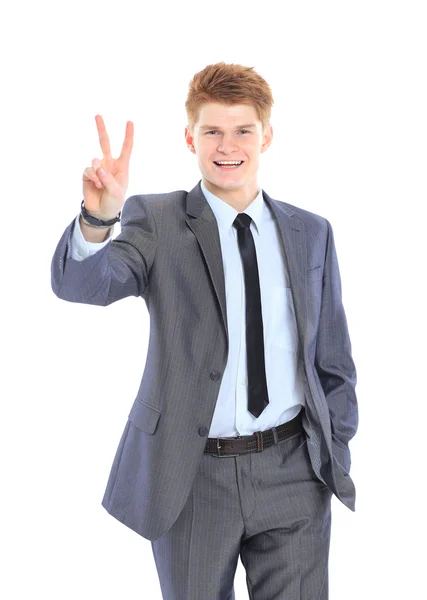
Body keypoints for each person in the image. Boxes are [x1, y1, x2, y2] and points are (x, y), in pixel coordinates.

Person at [51, 61, 358, 600]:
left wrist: (334, 450)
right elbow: (85, 285)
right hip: (192, 477)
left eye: (243, 130)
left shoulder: (310, 232)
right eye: (212, 130)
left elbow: (332, 358)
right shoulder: (157, 220)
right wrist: (98, 220)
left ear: (267, 135)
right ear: (189, 136)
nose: (227, 145)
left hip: (293, 471)